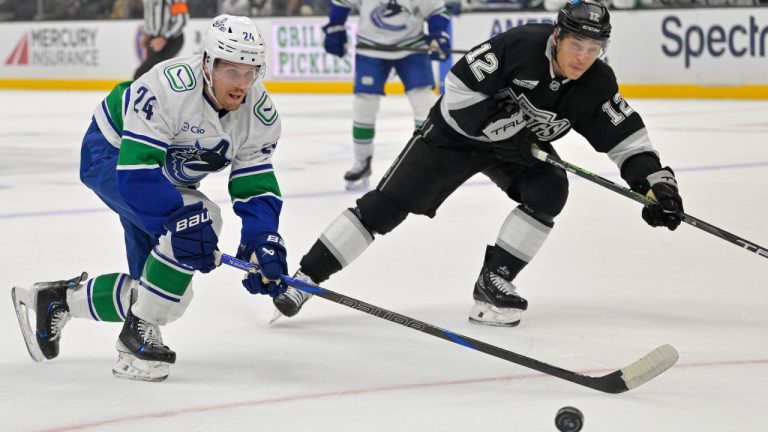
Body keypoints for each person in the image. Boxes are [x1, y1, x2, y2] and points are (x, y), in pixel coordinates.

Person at [272, 0, 684, 326]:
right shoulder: (520, 46)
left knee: (550, 188)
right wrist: (503, 131)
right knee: (386, 207)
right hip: (454, 136)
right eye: (577, 45)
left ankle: (494, 281)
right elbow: (457, 93)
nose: (583, 57)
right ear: (557, 36)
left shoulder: (596, 82)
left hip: (516, 148)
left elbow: (626, 137)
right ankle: (305, 279)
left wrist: (656, 184)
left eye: (594, 49)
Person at [12, 15, 288, 382]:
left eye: (250, 71)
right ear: (208, 64)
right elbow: (137, 174)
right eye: (232, 71)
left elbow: (256, 185)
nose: (242, 84)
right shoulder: (167, 86)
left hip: (159, 174)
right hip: (112, 155)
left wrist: (262, 240)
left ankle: (58, 300)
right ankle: (134, 335)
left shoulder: (260, 114)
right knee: (199, 218)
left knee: (164, 293)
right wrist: (180, 221)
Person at [321, 0, 452, 190]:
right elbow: (341, 3)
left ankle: (428, 163)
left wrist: (438, 34)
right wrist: (335, 25)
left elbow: (437, 11)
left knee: (424, 104)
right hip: (371, 47)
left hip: (411, 47)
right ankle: (362, 161)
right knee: (364, 105)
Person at [134, 0, 190, 79]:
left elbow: (182, 20)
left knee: (142, 73)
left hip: (171, 39)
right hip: (153, 39)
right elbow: (149, 14)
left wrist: (164, 38)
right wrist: (146, 34)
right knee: (153, 75)